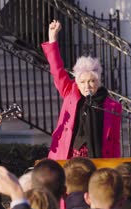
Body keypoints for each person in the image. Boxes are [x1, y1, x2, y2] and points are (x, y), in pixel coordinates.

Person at [42, 20, 122, 160]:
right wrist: (52, 39)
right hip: (69, 155)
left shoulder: (113, 106)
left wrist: (114, 166)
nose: (87, 86)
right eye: (83, 82)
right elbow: (57, 70)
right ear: (77, 83)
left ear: (99, 82)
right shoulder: (69, 92)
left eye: (92, 81)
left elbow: (115, 142)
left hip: (97, 158)